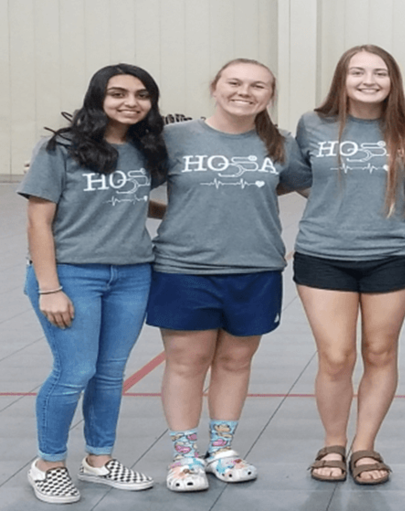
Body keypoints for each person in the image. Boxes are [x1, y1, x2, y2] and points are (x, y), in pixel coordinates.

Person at [147, 59, 308, 492]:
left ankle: (220, 450)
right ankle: (184, 457)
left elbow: (320, 188)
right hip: (185, 269)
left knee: (236, 361)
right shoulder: (174, 138)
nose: (245, 91)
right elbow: (128, 186)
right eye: (234, 83)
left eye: (258, 85)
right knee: (187, 362)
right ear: (215, 87)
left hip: (255, 269)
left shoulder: (281, 145)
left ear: (270, 95)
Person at [18, 63, 166, 503]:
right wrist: (49, 287)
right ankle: (48, 465)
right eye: (118, 93)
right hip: (72, 275)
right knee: (74, 371)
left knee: (109, 374)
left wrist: (172, 214)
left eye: (141, 95)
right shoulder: (59, 148)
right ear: (97, 97)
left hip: (133, 274)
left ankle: (99, 461)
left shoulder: (146, 149)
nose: (130, 103)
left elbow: (130, 200)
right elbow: (38, 222)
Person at [294, 44, 405, 486]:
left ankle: (364, 445)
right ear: (342, 78)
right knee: (336, 356)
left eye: (379, 72)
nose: (369, 80)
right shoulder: (312, 124)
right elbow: (302, 180)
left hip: (393, 255)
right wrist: (339, 207)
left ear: (393, 80)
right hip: (323, 254)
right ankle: (333, 442)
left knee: (379, 352)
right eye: (358, 72)